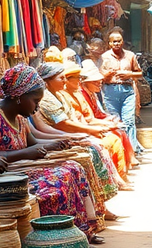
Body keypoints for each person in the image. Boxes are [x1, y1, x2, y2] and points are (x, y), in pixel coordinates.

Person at [0, 65, 104, 248]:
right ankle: (56, 239)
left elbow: (32, 143)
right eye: (35, 101)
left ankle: (80, 233)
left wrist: (54, 145)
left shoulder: (19, 117)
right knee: (59, 182)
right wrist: (26, 153)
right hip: (4, 176)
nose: (37, 108)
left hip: (23, 169)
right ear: (19, 96)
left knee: (74, 168)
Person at [35, 62, 122, 220]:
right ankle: (93, 210)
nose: (64, 81)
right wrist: (85, 132)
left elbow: (74, 118)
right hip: (61, 138)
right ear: (47, 81)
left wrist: (86, 132)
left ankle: (100, 205)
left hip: (65, 137)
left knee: (97, 147)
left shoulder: (61, 94)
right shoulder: (46, 99)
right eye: (60, 78)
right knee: (90, 154)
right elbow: (62, 124)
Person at [61, 63, 132, 184]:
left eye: (81, 78)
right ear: (66, 80)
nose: (80, 81)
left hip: (84, 130)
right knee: (109, 141)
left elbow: (88, 118)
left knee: (115, 136)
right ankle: (113, 179)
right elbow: (69, 124)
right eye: (77, 78)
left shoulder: (78, 94)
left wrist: (102, 125)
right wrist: (96, 128)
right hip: (75, 133)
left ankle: (118, 176)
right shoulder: (65, 96)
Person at [79, 61, 138, 170]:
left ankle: (128, 161)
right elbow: (89, 119)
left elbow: (98, 113)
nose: (99, 84)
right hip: (88, 127)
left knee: (120, 129)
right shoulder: (81, 95)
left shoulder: (92, 94)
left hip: (95, 122)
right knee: (115, 134)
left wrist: (110, 120)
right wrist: (107, 124)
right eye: (95, 82)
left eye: (99, 82)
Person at [99, 29, 144, 158]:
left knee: (129, 121)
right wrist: (109, 73)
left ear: (122, 42)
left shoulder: (130, 56)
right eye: (114, 42)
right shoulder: (104, 57)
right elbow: (100, 76)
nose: (117, 44)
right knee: (115, 121)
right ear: (109, 43)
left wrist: (129, 74)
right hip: (110, 91)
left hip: (127, 91)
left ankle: (131, 152)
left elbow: (139, 73)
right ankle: (120, 152)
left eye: (119, 41)